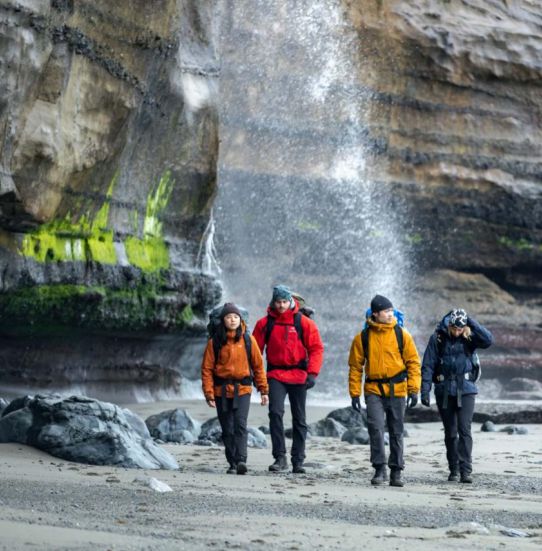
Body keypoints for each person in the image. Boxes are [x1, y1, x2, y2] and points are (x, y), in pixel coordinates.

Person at [348, 295, 421, 487]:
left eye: (391, 311)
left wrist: (414, 389)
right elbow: (355, 367)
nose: (391, 314)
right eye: (387, 311)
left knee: (396, 431)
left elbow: (413, 362)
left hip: (397, 389)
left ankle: (396, 471)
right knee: (375, 428)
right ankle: (379, 468)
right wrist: (354, 393)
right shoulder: (362, 338)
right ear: (375, 314)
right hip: (373, 389)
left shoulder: (401, 334)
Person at [253, 285, 324, 474]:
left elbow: (316, 348)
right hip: (275, 375)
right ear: (273, 302)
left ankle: (298, 460)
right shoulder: (264, 324)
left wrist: (312, 373)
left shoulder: (304, 323)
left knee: (300, 419)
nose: (281, 305)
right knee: (275, 413)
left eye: (284, 301)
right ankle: (280, 457)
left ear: (291, 301)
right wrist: (256, 375)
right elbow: (254, 352)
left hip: (300, 376)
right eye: (278, 302)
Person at [421, 308, 493, 483]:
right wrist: (425, 389)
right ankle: (453, 469)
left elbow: (489, 340)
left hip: (466, 389)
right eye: (455, 328)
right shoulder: (437, 338)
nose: (457, 332)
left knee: (464, 429)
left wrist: (471, 321)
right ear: (449, 324)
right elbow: (428, 365)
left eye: (461, 328)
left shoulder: (469, 337)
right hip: (444, 390)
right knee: (450, 432)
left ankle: (465, 470)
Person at [201, 303, 269, 475]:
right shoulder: (214, 342)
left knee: (240, 425)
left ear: (241, 320)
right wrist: (208, 393)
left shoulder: (248, 340)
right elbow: (207, 369)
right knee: (227, 428)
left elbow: (258, 366)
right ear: (223, 320)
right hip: (221, 391)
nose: (232, 320)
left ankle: (241, 461)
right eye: (229, 317)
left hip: (243, 389)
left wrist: (263, 390)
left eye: (235, 317)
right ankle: (232, 462)